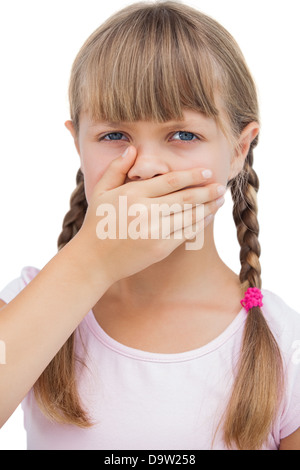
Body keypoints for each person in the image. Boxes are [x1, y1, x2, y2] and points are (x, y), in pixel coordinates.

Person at [0, 0, 299, 450]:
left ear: (239, 150)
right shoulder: (29, 305)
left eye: (183, 135)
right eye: (113, 136)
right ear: (77, 144)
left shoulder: (283, 347)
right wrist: (91, 262)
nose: (144, 168)